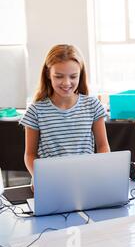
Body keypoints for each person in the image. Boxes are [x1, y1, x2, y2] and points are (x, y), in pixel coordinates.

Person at [20, 44, 110, 180]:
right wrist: (37, 177)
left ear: (81, 74)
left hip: (86, 177)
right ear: (48, 74)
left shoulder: (92, 105)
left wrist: (101, 170)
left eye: (73, 77)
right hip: (52, 179)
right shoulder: (36, 111)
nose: (67, 83)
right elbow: (30, 154)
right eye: (59, 76)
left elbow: (103, 146)